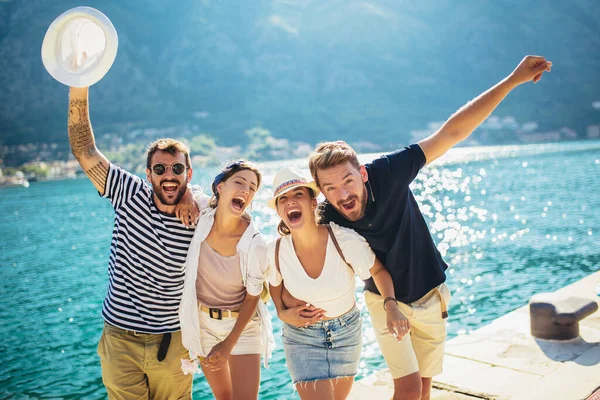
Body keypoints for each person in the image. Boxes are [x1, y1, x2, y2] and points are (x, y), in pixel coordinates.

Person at [283, 55, 552, 400]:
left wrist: (513, 79)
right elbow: (285, 235)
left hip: (430, 292)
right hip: (383, 300)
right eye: (330, 188)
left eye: (348, 181)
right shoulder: (327, 216)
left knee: (424, 387)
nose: (342, 194)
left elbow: (452, 133)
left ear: (363, 173)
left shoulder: (390, 172)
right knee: (408, 389)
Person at [67, 86, 204, 399]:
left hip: (174, 342)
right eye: (160, 169)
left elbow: (239, 205)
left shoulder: (202, 213)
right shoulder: (129, 193)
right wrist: (80, 82)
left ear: (188, 172)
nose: (168, 176)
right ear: (147, 173)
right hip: (120, 338)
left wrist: (193, 195)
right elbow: (84, 150)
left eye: (177, 169)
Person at [267, 168, 408, 400]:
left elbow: (378, 270)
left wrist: (391, 306)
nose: (290, 201)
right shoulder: (274, 251)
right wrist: (282, 313)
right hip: (302, 338)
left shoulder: (343, 239)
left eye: (298, 194)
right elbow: (275, 283)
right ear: (279, 210)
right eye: (283, 198)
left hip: (346, 333)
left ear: (313, 202)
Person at [179, 160, 275, 400]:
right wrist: (187, 192)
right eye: (239, 182)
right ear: (220, 187)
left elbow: (253, 297)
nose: (246, 190)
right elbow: (190, 188)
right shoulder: (203, 214)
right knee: (223, 397)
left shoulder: (256, 244)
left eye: (252, 188)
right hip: (203, 325)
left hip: (241, 327)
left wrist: (228, 344)